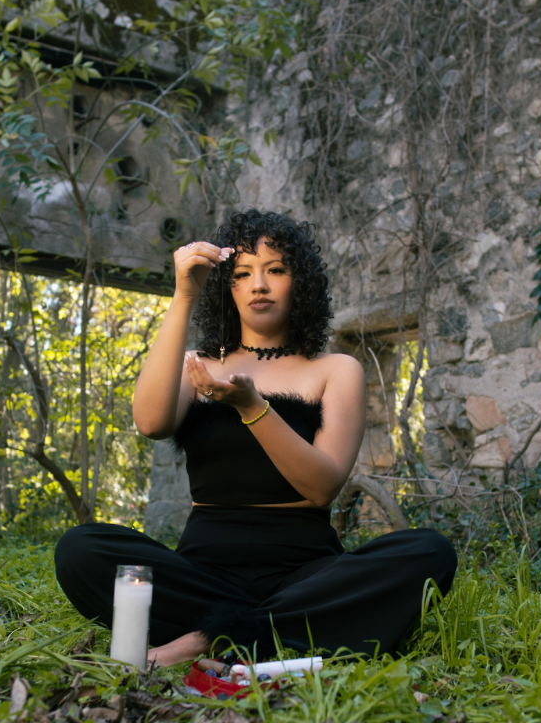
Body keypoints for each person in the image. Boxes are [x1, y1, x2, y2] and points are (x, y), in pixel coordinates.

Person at [55, 209, 457, 666]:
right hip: (202, 574)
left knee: (428, 551)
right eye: (242, 273)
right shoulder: (197, 365)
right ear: (227, 286)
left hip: (306, 575)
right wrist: (183, 296)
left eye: (276, 270)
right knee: (80, 549)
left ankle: (207, 638)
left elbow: (322, 487)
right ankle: (272, 631)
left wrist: (252, 407)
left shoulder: (336, 371)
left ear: (299, 282)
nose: (258, 285)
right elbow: (150, 423)